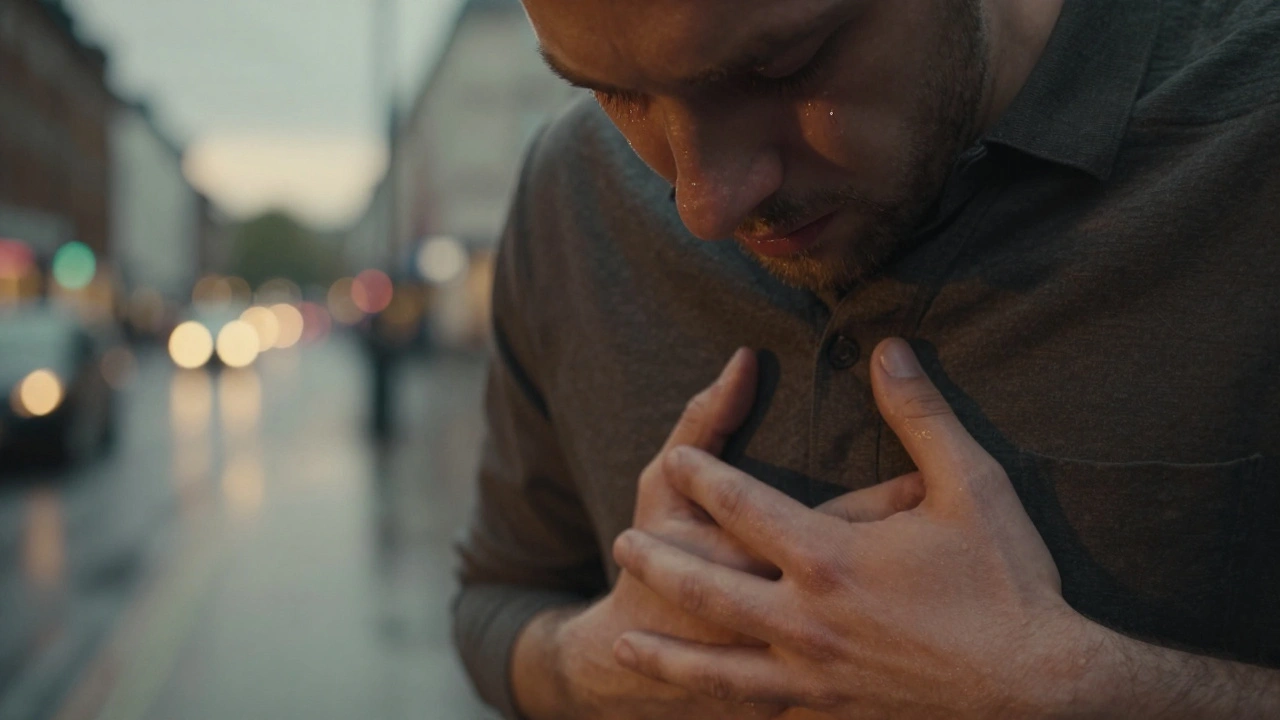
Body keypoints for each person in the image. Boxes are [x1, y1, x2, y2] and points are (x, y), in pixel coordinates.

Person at [452, 0, 1280, 717]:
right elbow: (495, 601)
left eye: (781, 66)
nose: (704, 205)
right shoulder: (572, 189)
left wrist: (1092, 693)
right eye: (615, 94)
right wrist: (601, 667)